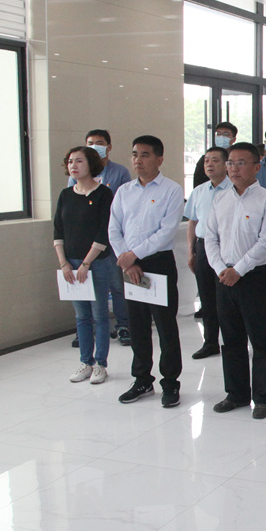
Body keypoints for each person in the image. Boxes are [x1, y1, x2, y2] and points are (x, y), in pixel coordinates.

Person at [205, 142, 266, 418]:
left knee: (259, 340)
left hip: (253, 278)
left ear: (256, 167)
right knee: (231, 339)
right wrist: (220, 269)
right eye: (230, 163)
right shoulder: (220, 199)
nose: (233, 168)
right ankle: (236, 394)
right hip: (223, 277)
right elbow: (210, 238)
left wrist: (238, 269)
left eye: (240, 163)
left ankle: (262, 397)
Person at [109, 136, 185, 407]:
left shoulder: (172, 190)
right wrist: (127, 260)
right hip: (130, 266)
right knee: (137, 324)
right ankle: (142, 380)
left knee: (165, 326)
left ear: (159, 159)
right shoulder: (124, 191)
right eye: (134, 155)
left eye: (144, 155)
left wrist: (134, 255)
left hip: (158, 263)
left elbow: (166, 232)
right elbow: (114, 229)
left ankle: (170, 383)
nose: (138, 160)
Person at [67, 129, 132, 347]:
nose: (95, 146)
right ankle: (86, 328)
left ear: (109, 146)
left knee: (116, 284)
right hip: (83, 242)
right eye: (90, 142)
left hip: (111, 239)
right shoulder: (74, 176)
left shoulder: (119, 172)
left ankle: (123, 325)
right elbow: (71, 204)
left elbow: (125, 204)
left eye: (99, 142)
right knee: (83, 285)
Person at [55, 146, 114, 384]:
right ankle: (85, 362)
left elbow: (104, 231)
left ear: (91, 164)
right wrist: (64, 263)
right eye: (70, 161)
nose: (73, 165)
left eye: (79, 161)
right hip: (71, 263)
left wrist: (87, 263)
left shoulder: (103, 194)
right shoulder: (65, 195)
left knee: (100, 315)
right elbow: (58, 230)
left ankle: (100, 364)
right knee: (81, 316)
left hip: (96, 262)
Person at [183, 146, 231, 360]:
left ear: (226, 164)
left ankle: (232, 341)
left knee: (227, 298)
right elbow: (192, 222)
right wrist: (190, 251)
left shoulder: (234, 190)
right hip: (203, 248)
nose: (209, 164)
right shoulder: (199, 191)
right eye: (206, 161)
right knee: (207, 297)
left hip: (226, 248)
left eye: (215, 160)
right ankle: (210, 342)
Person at [193, 122, 237, 189]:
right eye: (218, 134)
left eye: (225, 134)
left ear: (233, 139)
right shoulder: (205, 159)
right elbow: (198, 183)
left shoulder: (236, 159)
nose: (221, 137)